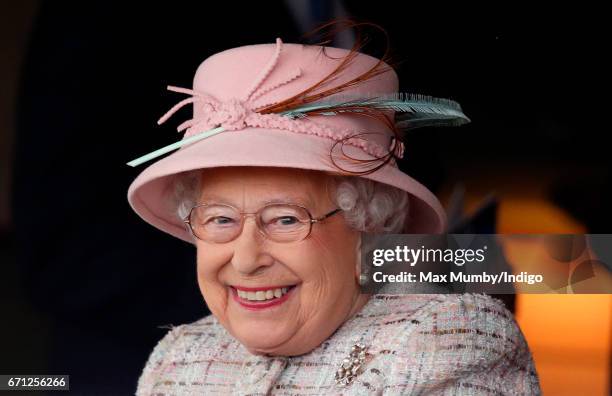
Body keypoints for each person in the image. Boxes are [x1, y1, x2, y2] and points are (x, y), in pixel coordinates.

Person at [127, 24, 541, 395]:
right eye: (221, 219)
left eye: (286, 219)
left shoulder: (441, 338)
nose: (247, 259)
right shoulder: (179, 357)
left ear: (370, 224)